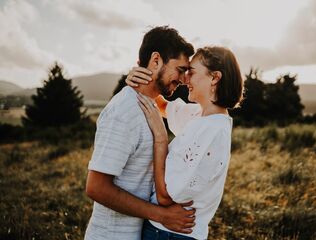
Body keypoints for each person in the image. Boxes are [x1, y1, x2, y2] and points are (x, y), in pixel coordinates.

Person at [84, 26, 196, 240]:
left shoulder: (149, 106)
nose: (183, 79)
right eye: (180, 69)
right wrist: (162, 215)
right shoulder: (124, 111)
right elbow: (96, 187)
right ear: (156, 61)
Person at [127, 46, 244, 239]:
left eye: (191, 72)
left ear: (214, 78)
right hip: (165, 232)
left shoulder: (212, 130)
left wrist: (161, 139)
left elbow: (166, 197)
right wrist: (139, 76)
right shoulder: (199, 115)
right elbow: (163, 106)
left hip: (171, 235)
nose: (185, 79)